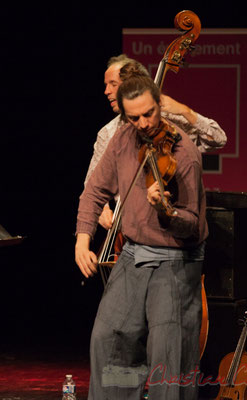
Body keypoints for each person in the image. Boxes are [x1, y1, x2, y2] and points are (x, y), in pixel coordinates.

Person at [75, 75, 208, 399]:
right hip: (134, 253)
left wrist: (167, 212)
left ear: (158, 105)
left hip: (176, 259)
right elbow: (94, 190)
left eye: (149, 114)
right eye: (134, 117)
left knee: (168, 355)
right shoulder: (122, 139)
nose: (145, 123)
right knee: (108, 339)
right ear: (124, 115)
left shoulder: (184, 153)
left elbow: (190, 223)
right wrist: (82, 238)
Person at [86, 54, 225, 229]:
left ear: (132, 86)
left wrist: (184, 111)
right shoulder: (108, 132)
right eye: (106, 85)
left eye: (112, 84)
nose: (106, 91)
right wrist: (103, 208)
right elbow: (92, 181)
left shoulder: (168, 123)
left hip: (174, 220)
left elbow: (218, 139)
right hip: (130, 226)